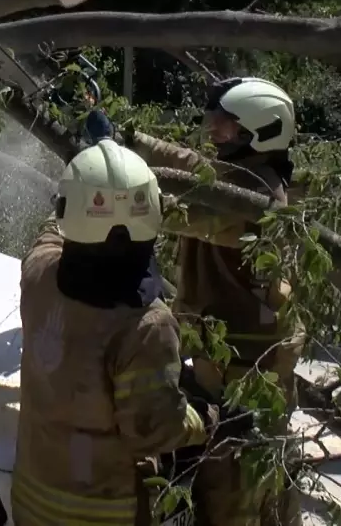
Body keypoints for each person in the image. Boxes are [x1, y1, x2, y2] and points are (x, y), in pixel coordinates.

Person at [12, 138, 234, 526]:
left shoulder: (38, 274)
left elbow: (53, 229)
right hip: (104, 512)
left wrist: (89, 183)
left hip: (32, 501)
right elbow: (151, 431)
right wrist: (207, 415)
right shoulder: (147, 325)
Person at [128, 76, 305, 526]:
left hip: (247, 374)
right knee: (264, 480)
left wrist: (111, 191)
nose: (214, 133)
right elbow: (187, 161)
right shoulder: (238, 174)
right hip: (230, 365)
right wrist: (128, 138)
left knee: (234, 489)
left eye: (225, 127)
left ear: (259, 130)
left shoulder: (257, 198)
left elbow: (185, 216)